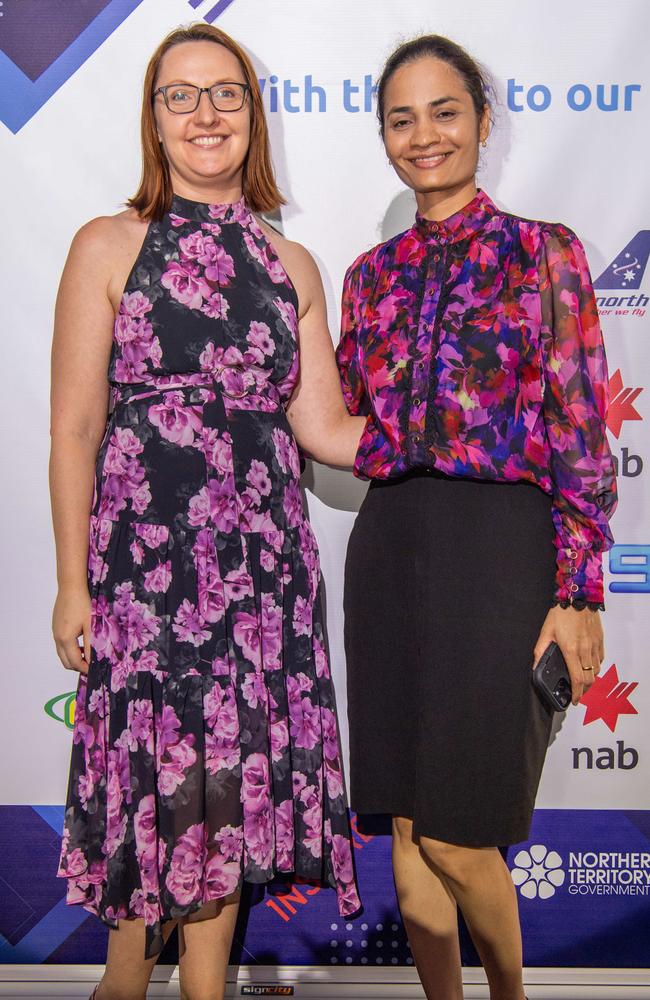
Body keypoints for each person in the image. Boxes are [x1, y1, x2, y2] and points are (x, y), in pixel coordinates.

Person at [50, 22, 363, 1000]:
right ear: (151, 119)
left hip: (264, 570)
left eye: (224, 93)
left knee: (223, 781)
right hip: (148, 570)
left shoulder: (292, 264)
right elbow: (73, 429)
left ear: (253, 115)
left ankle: (201, 988)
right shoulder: (108, 244)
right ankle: (121, 980)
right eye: (178, 95)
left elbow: (326, 431)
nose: (204, 113)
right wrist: (72, 583)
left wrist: (457, 420)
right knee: (153, 767)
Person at [336, 34, 617, 1000]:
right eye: (401, 118)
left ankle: (508, 995)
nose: (425, 136)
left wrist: (579, 592)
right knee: (409, 821)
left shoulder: (547, 252)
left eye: (445, 111)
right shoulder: (370, 275)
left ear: (483, 120)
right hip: (390, 543)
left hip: (500, 552)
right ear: (383, 136)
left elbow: (582, 430)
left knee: (459, 831)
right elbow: (338, 419)